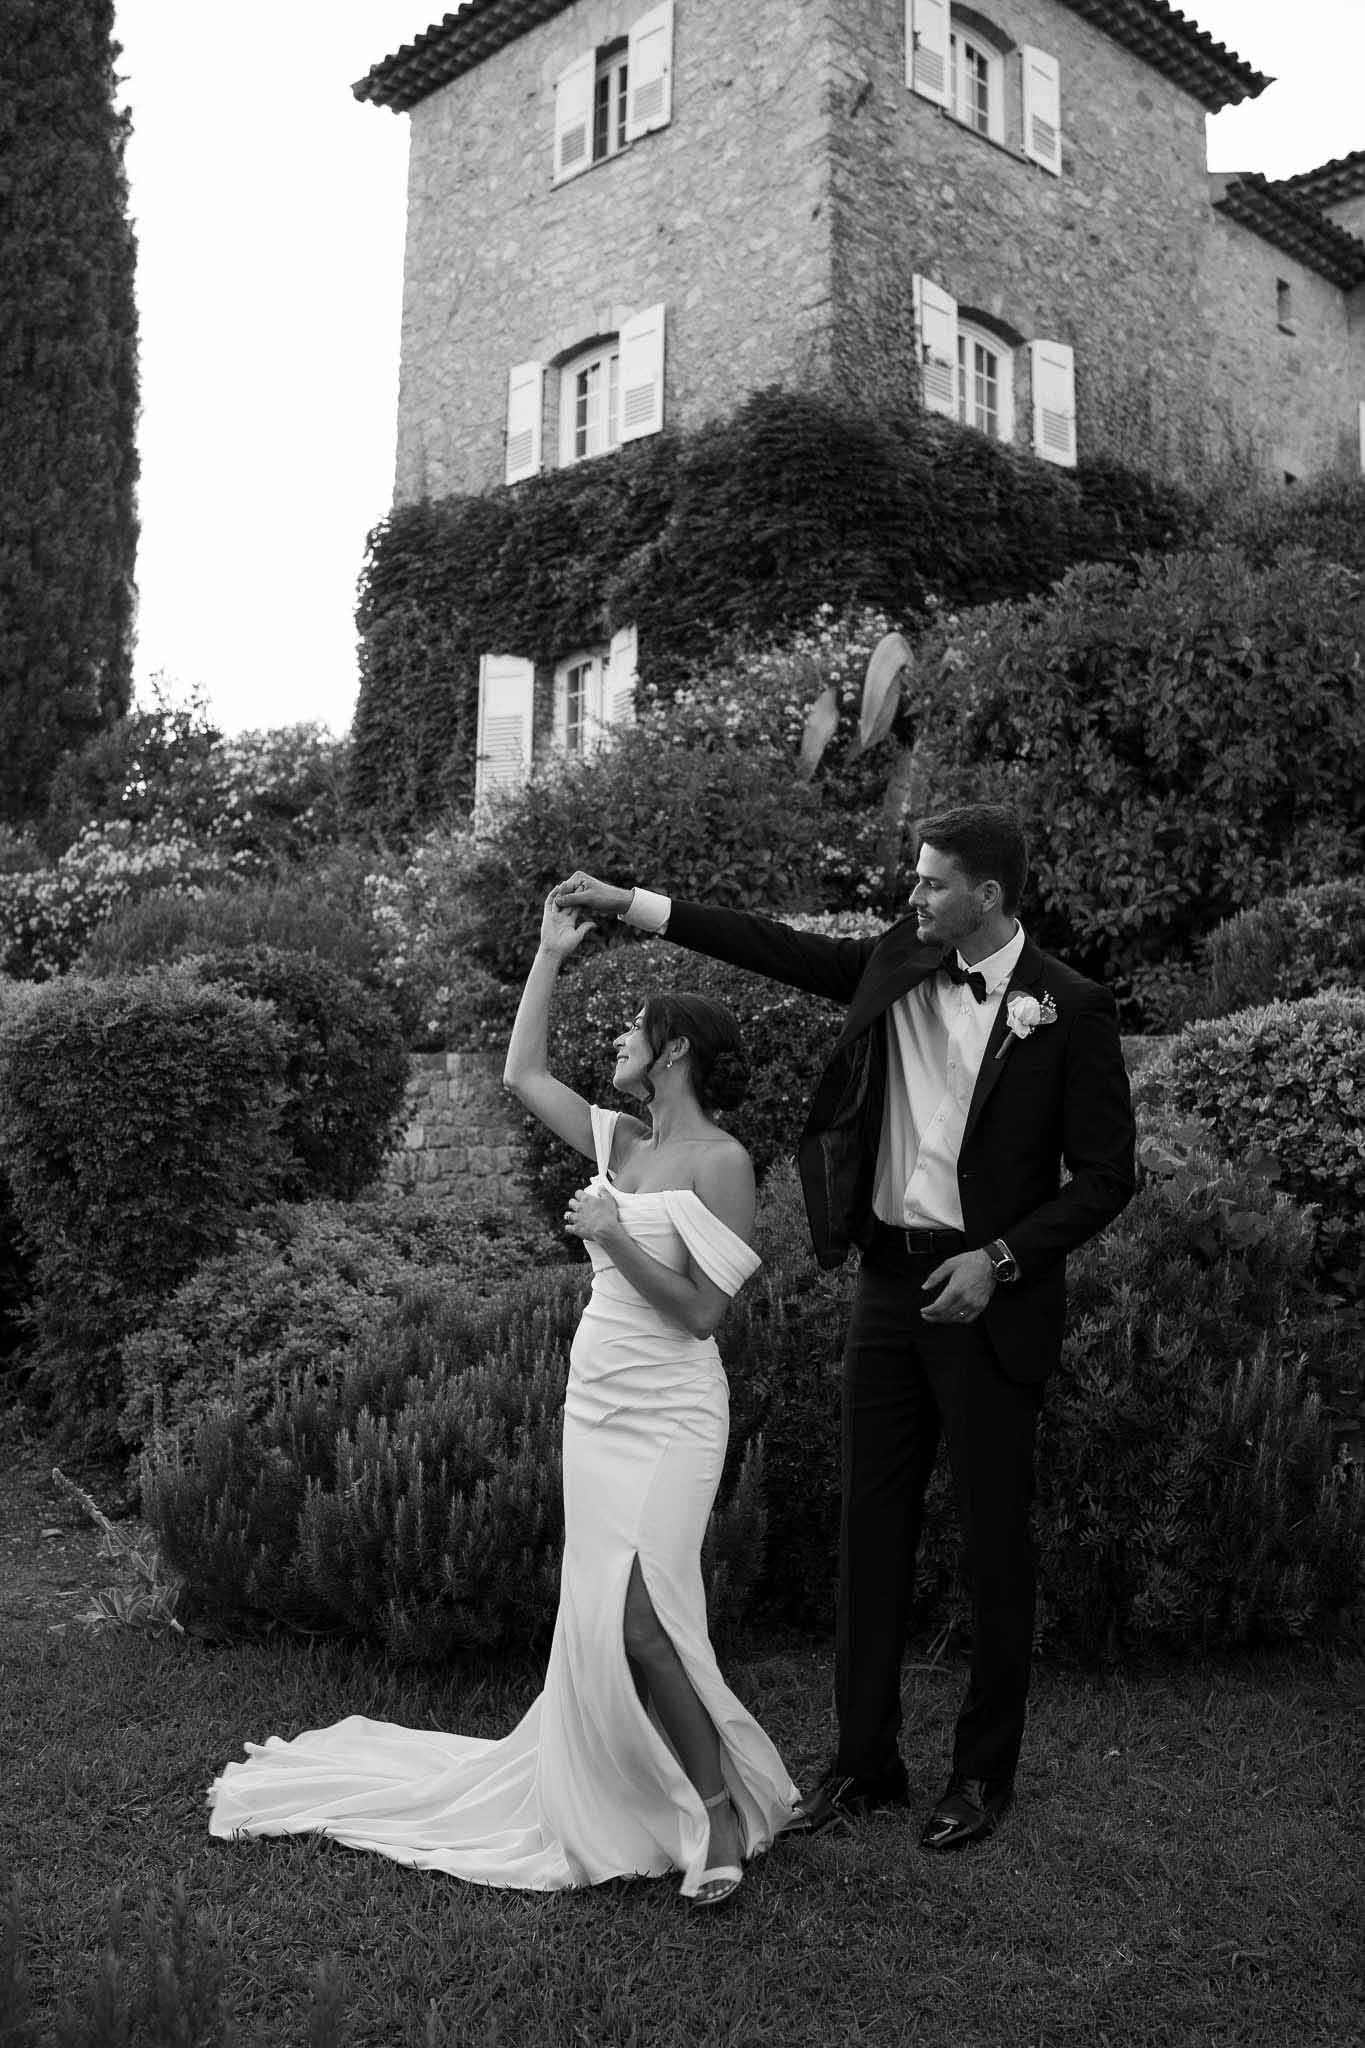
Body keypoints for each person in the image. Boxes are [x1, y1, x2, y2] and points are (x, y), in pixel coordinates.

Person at [554, 802, 1136, 1850]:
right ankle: (865, 1760)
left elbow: (1107, 1176)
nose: (911, 898)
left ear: (988, 896)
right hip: (885, 1288)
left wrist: (1001, 1258)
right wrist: (630, 903)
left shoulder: (1072, 1008)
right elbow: (769, 944)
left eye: (930, 884)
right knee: (870, 1533)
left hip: (987, 1299)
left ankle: (979, 1776)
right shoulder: (898, 962)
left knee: (994, 1541)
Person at [208, 892, 797, 1905]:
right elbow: (522, 1072)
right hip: (596, 1403)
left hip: (671, 1415)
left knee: (646, 1622)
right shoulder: (618, 1141)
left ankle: (717, 1807)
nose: (615, 1040)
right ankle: (664, 1792)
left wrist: (611, 1235)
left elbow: (702, 1315)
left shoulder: (723, 1163)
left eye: (631, 1031)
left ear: (674, 1053)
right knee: (607, 1618)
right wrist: (545, 953)